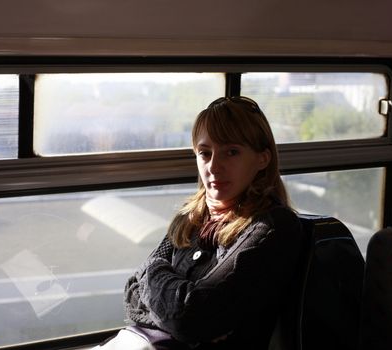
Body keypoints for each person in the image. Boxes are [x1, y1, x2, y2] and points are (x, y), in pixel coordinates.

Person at [96, 96, 304, 349]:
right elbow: (131, 296)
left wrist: (157, 280)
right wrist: (177, 313)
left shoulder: (272, 227)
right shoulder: (191, 216)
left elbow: (191, 318)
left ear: (262, 159)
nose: (214, 167)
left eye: (232, 152)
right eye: (205, 153)